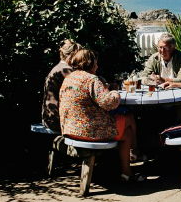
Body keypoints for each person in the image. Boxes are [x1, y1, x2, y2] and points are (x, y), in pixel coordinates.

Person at [59, 49, 144, 182]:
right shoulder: (91, 80)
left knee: (126, 133)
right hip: (90, 131)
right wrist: (114, 91)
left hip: (70, 130)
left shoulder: (69, 78)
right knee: (128, 117)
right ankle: (135, 154)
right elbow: (109, 103)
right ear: (89, 63)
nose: (97, 66)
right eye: (95, 63)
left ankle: (127, 173)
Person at [42, 39, 81, 133]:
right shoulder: (65, 70)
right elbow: (82, 87)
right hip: (56, 120)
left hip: (48, 117)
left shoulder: (58, 68)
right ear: (73, 55)